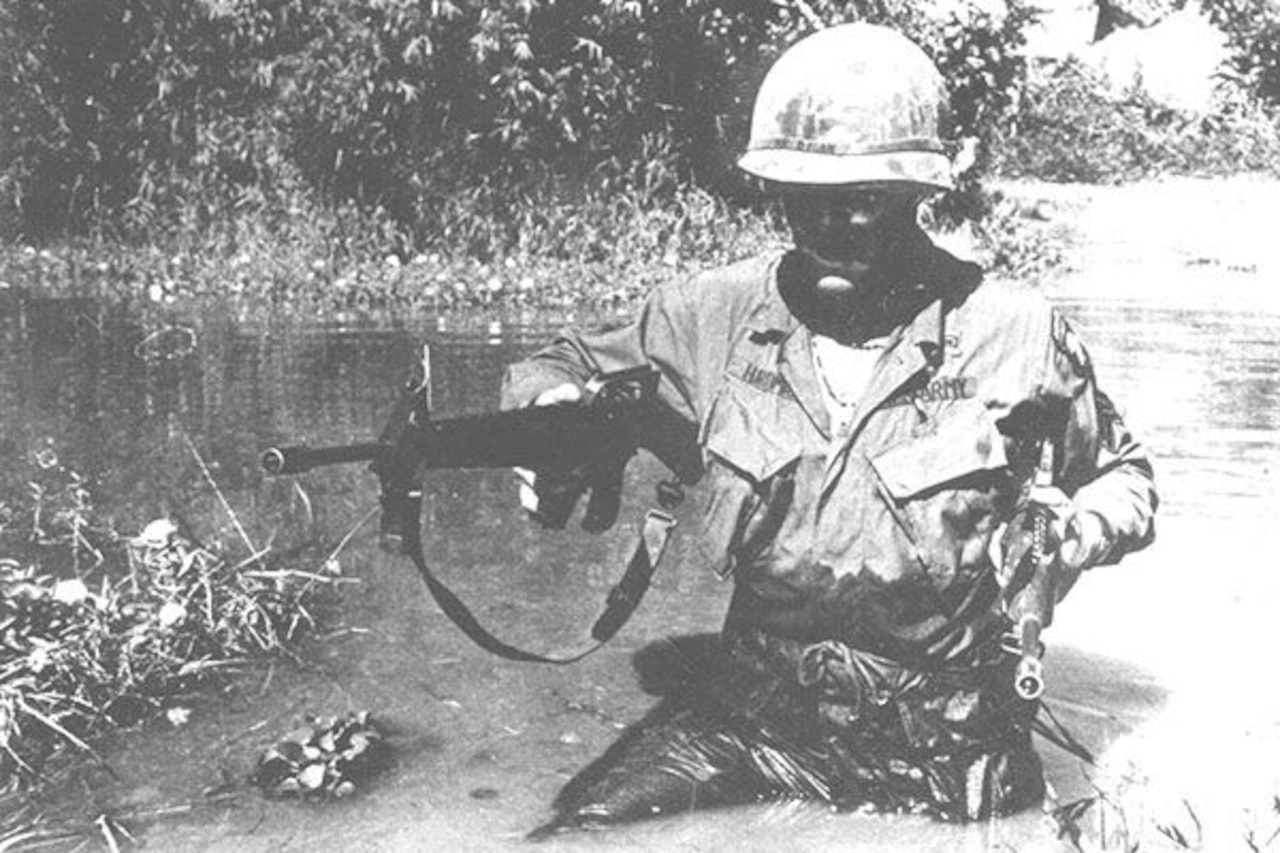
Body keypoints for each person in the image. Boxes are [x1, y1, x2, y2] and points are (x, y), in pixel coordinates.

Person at [502, 22, 1157, 836]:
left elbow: (1126, 476)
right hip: (753, 715)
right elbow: (558, 362)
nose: (837, 225)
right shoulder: (713, 313)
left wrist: (1076, 531)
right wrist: (549, 420)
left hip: (945, 738)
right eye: (806, 200)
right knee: (578, 829)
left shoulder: (1014, 332)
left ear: (921, 193)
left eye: (866, 202)